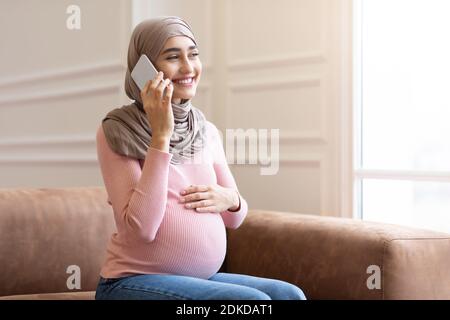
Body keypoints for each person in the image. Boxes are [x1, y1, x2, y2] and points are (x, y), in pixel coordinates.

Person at [94, 16, 306, 300]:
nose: (188, 67)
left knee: (288, 295)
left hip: (197, 280)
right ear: (143, 70)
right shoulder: (118, 130)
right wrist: (161, 137)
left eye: (193, 54)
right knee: (252, 304)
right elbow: (141, 230)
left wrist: (232, 200)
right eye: (173, 57)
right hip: (130, 283)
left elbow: (235, 219)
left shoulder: (205, 130)